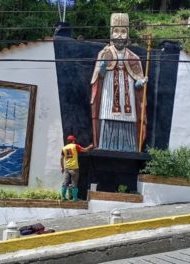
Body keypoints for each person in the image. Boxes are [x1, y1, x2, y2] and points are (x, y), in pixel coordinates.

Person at [90, 13, 148, 152]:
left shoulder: (134, 58)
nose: (120, 36)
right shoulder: (105, 53)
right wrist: (103, 65)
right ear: (111, 34)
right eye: (116, 31)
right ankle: (104, 145)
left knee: (129, 123)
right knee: (107, 119)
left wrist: (141, 83)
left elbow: (137, 85)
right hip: (109, 98)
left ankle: (130, 148)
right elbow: (99, 77)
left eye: (123, 32)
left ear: (127, 36)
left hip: (128, 102)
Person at [60, 135, 93, 201]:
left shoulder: (64, 148)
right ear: (73, 140)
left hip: (67, 168)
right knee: (74, 183)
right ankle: (74, 198)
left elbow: (61, 159)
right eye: (74, 140)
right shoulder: (75, 146)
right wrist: (90, 146)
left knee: (65, 183)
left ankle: (63, 197)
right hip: (74, 168)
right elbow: (84, 150)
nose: (75, 141)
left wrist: (62, 167)